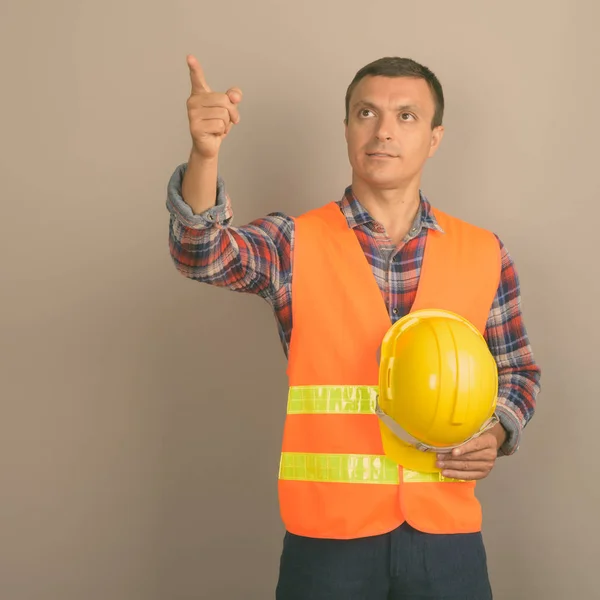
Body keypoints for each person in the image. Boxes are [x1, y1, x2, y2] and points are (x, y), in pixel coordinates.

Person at [165, 54, 541, 600]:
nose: (384, 130)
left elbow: (518, 371)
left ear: (434, 139)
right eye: (366, 113)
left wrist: (497, 431)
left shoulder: (485, 252)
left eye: (406, 116)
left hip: (447, 538)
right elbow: (200, 253)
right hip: (327, 542)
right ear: (346, 129)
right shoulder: (294, 242)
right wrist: (204, 156)